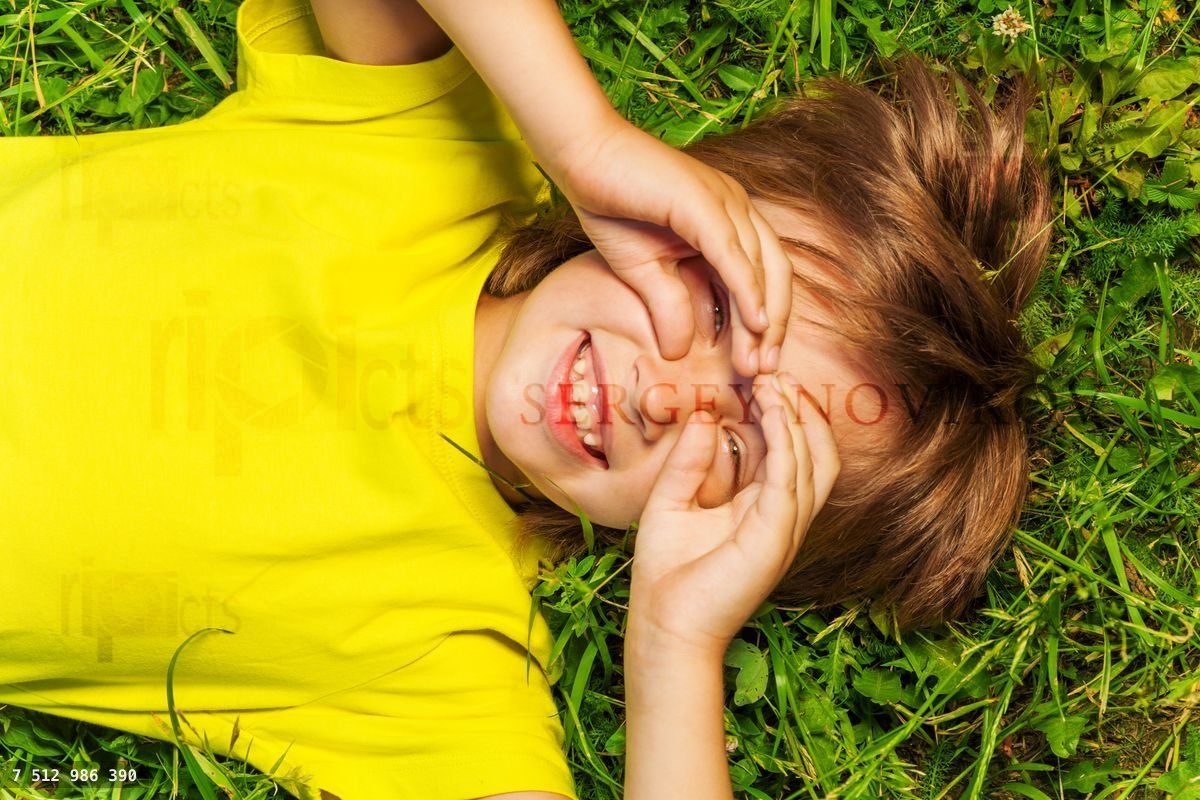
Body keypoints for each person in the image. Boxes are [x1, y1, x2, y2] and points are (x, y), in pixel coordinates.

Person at [0, 1, 1050, 799]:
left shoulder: (446, 664)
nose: (668, 401)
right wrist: (584, 137)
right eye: (724, 310)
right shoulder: (429, 139)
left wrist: (676, 646)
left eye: (739, 451)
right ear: (690, 195)